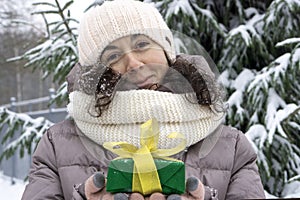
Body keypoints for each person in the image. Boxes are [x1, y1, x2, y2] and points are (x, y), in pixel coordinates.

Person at [21, 0, 265, 200]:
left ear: (166, 49)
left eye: (141, 44)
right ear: (95, 73)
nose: (134, 64)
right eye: (113, 55)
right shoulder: (56, 145)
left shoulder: (232, 148)